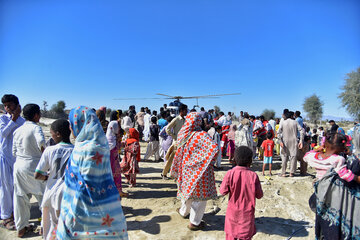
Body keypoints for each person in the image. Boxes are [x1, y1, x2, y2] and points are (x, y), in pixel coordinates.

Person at [56, 106, 128, 239]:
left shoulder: (89, 149)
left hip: (86, 210)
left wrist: (71, 215)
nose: (70, 128)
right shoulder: (96, 145)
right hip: (103, 203)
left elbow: (86, 187)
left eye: (71, 124)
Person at [171, 112, 218, 230]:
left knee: (187, 193)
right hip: (200, 171)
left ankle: (184, 212)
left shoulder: (182, 133)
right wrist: (205, 161)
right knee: (199, 197)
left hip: (186, 170)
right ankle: (194, 222)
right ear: (198, 122)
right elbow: (214, 149)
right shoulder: (201, 135)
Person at [34, 119, 73, 240]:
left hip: (51, 192)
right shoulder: (75, 150)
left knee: (51, 225)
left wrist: (48, 177)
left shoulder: (50, 150)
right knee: (67, 226)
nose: (51, 137)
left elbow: (37, 175)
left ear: (57, 134)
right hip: (69, 193)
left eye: (51, 133)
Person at [12, 104, 46, 237]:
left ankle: (21, 227)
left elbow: (14, 152)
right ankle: (44, 227)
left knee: (20, 198)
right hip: (35, 166)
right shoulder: (36, 128)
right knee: (43, 198)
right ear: (36, 115)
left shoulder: (17, 130)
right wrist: (46, 160)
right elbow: (42, 143)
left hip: (19, 166)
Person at [220, 146, 263, 240]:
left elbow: (222, 191)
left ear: (235, 159)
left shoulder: (230, 174)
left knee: (231, 236)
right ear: (250, 161)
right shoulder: (253, 176)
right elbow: (259, 195)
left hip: (232, 215)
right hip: (247, 216)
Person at [0, 94, 25, 230]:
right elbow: (4, 134)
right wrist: (13, 119)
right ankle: (6, 216)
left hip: (17, 158)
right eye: (5, 105)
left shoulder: (23, 122)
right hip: (4, 158)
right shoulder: (3, 119)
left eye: (10, 105)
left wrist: (16, 118)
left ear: (17, 105)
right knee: (5, 187)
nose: (7, 108)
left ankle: (16, 213)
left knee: (16, 187)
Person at [162, 104, 188, 179]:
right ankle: (164, 173)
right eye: (185, 110)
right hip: (176, 143)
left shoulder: (185, 120)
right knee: (171, 159)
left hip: (183, 142)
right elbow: (168, 129)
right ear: (181, 111)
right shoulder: (176, 119)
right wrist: (174, 136)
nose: (186, 112)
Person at [106, 111, 128, 198]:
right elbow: (118, 147)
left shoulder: (108, 138)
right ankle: (119, 192)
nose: (119, 129)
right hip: (114, 161)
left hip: (108, 163)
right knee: (117, 174)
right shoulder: (113, 141)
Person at [277, 111, 304, 177]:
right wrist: (301, 141)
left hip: (285, 141)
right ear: (292, 116)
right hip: (294, 141)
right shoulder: (295, 122)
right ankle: (291, 173)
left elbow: (278, 132)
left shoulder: (283, 122)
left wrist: (280, 141)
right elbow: (302, 131)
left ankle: (283, 173)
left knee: (284, 157)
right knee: (293, 157)